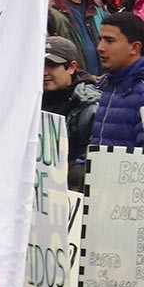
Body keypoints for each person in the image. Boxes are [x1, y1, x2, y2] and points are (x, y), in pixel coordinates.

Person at [88, 14, 144, 150]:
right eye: (100, 40)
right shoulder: (112, 82)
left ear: (134, 48)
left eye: (109, 41)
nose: (100, 47)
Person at [42, 35, 102, 183]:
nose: (44, 72)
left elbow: (93, 158)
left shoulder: (89, 105)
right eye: (40, 64)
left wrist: (70, 174)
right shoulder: (28, 100)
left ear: (72, 67)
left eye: (52, 65)